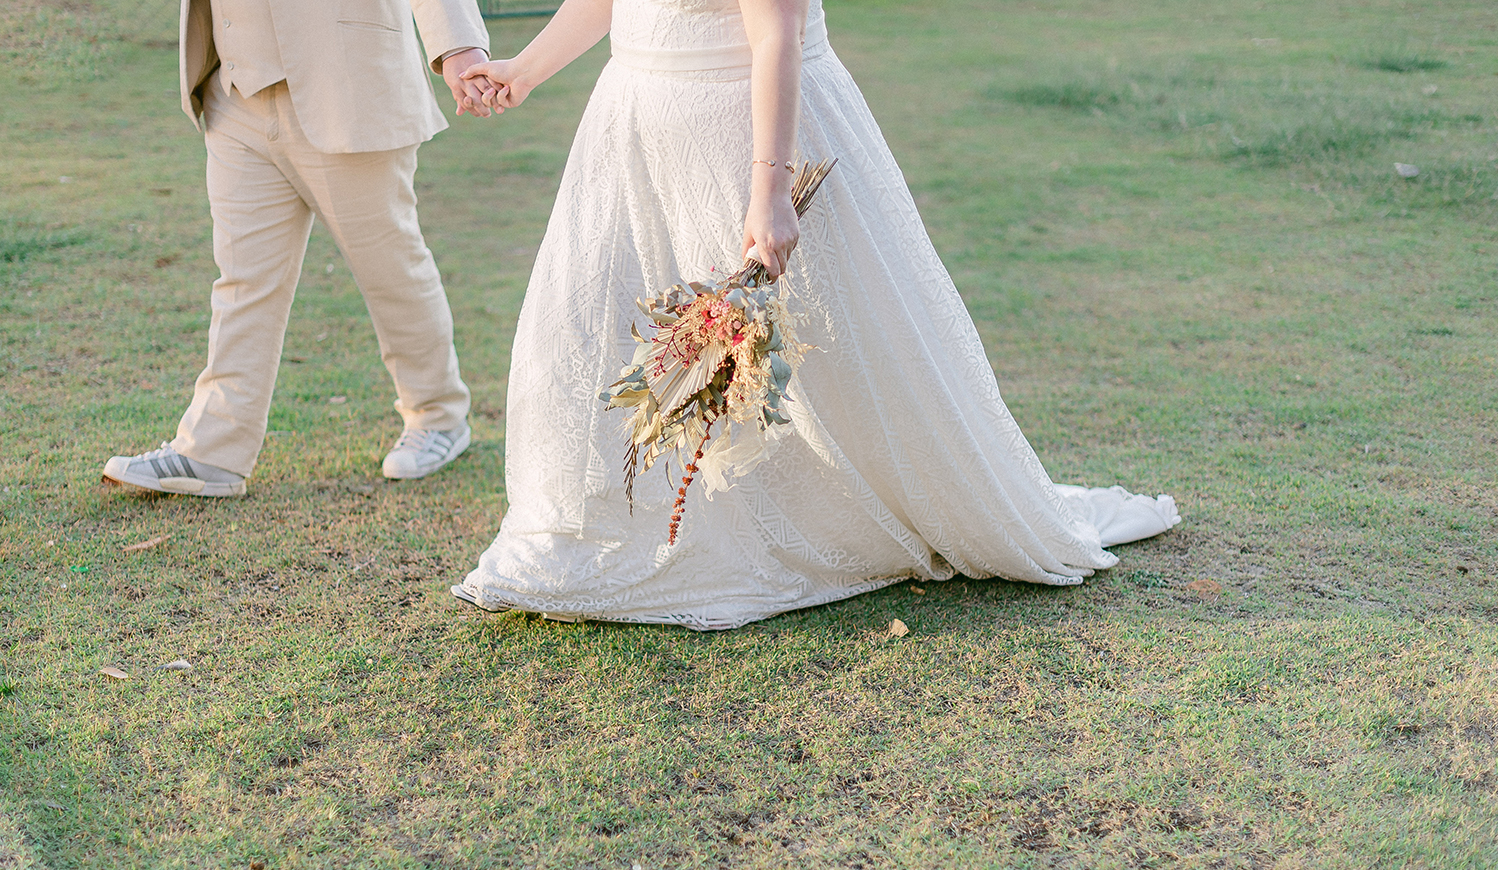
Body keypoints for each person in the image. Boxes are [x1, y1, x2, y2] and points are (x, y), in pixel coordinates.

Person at [451, 0, 1181, 629]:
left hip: (741, 131)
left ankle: (762, 527)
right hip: (636, 130)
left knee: (800, 350)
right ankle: (639, 526)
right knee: (599, 338)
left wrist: (768, 188)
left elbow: (777, 32)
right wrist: (525, 69)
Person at [102, 0, 497, 498]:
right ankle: (214, 451)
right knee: (243, 281)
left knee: (390, 268)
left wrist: (458, 46)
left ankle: (439, 417)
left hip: (349, 84)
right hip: (234, 91)